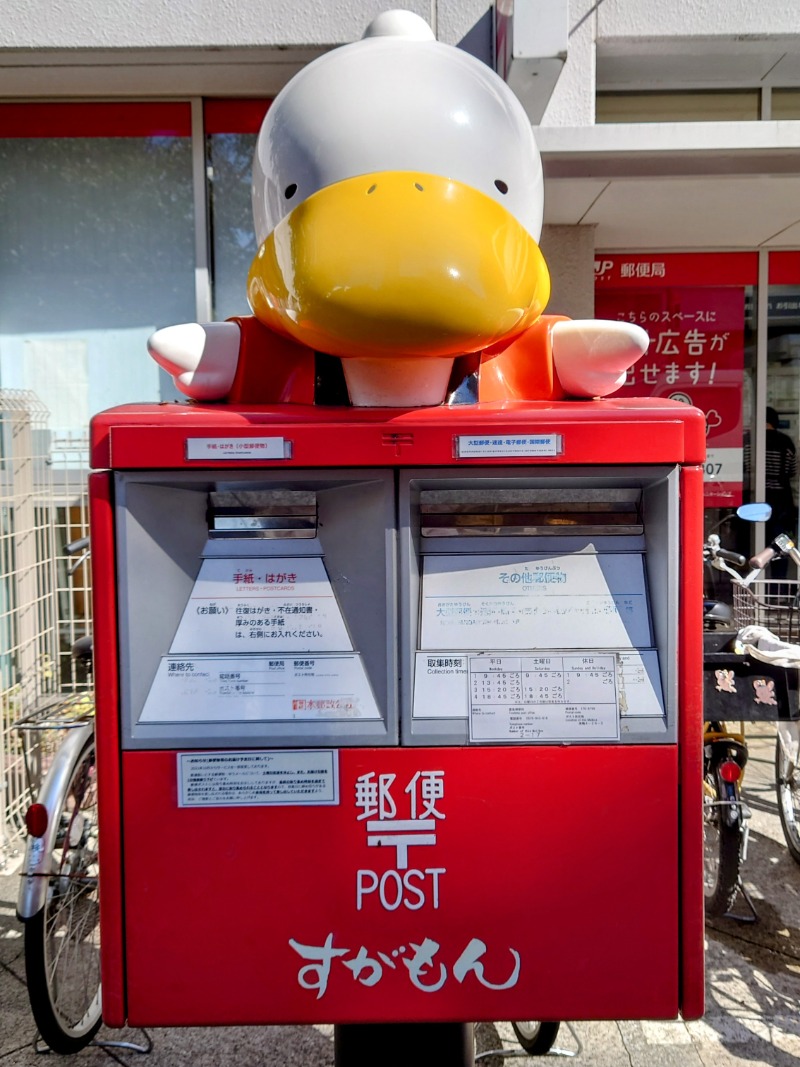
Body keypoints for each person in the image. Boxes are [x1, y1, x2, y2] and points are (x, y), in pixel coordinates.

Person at [765, 406, 798, 578]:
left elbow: (746, 468)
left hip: (759, 497)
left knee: (756, 543)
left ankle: (755, 582)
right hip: (782, 501)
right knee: (782, 543)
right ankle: (779, 584)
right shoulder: (786, 442)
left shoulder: (750, 440)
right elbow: (792, 471)